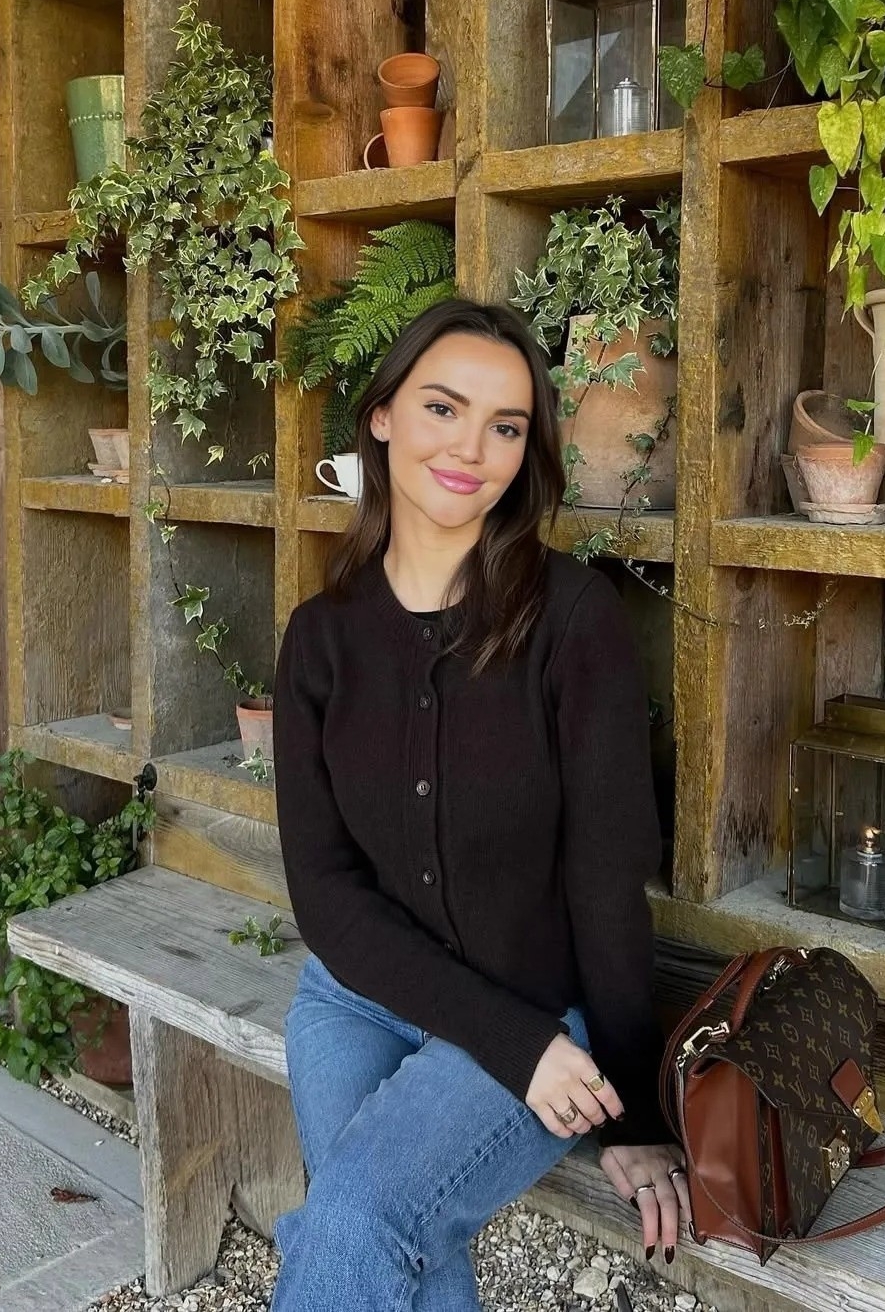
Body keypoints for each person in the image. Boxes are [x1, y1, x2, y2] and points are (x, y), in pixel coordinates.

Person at [269, 297, 689, 1311]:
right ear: (381, 416)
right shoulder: (320, 638)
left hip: (539, 1006)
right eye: (443, 408)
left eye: (505, 426)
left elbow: (605, 881)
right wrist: (509, 1046)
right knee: (379, 1227)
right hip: (355, 997)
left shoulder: (575, 619)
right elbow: (324, 891)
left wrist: (632, 1111)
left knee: (357, 1216)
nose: (470, 449)